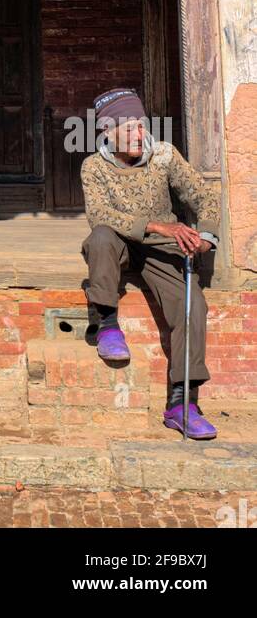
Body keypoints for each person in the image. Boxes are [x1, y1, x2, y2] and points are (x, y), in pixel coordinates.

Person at [80, 86, 220, 439]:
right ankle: (107, 324)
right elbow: (99, 214)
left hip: (161, 249)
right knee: (99, 239)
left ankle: (182, 404)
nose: (138, 134)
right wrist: (157, 225)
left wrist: (206, 235)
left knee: (191, 306)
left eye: (141, 126)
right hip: (120, 244)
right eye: (128, 128)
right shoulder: (94, 167)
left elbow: (203, 197)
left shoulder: (164, 156)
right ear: (108, 132)